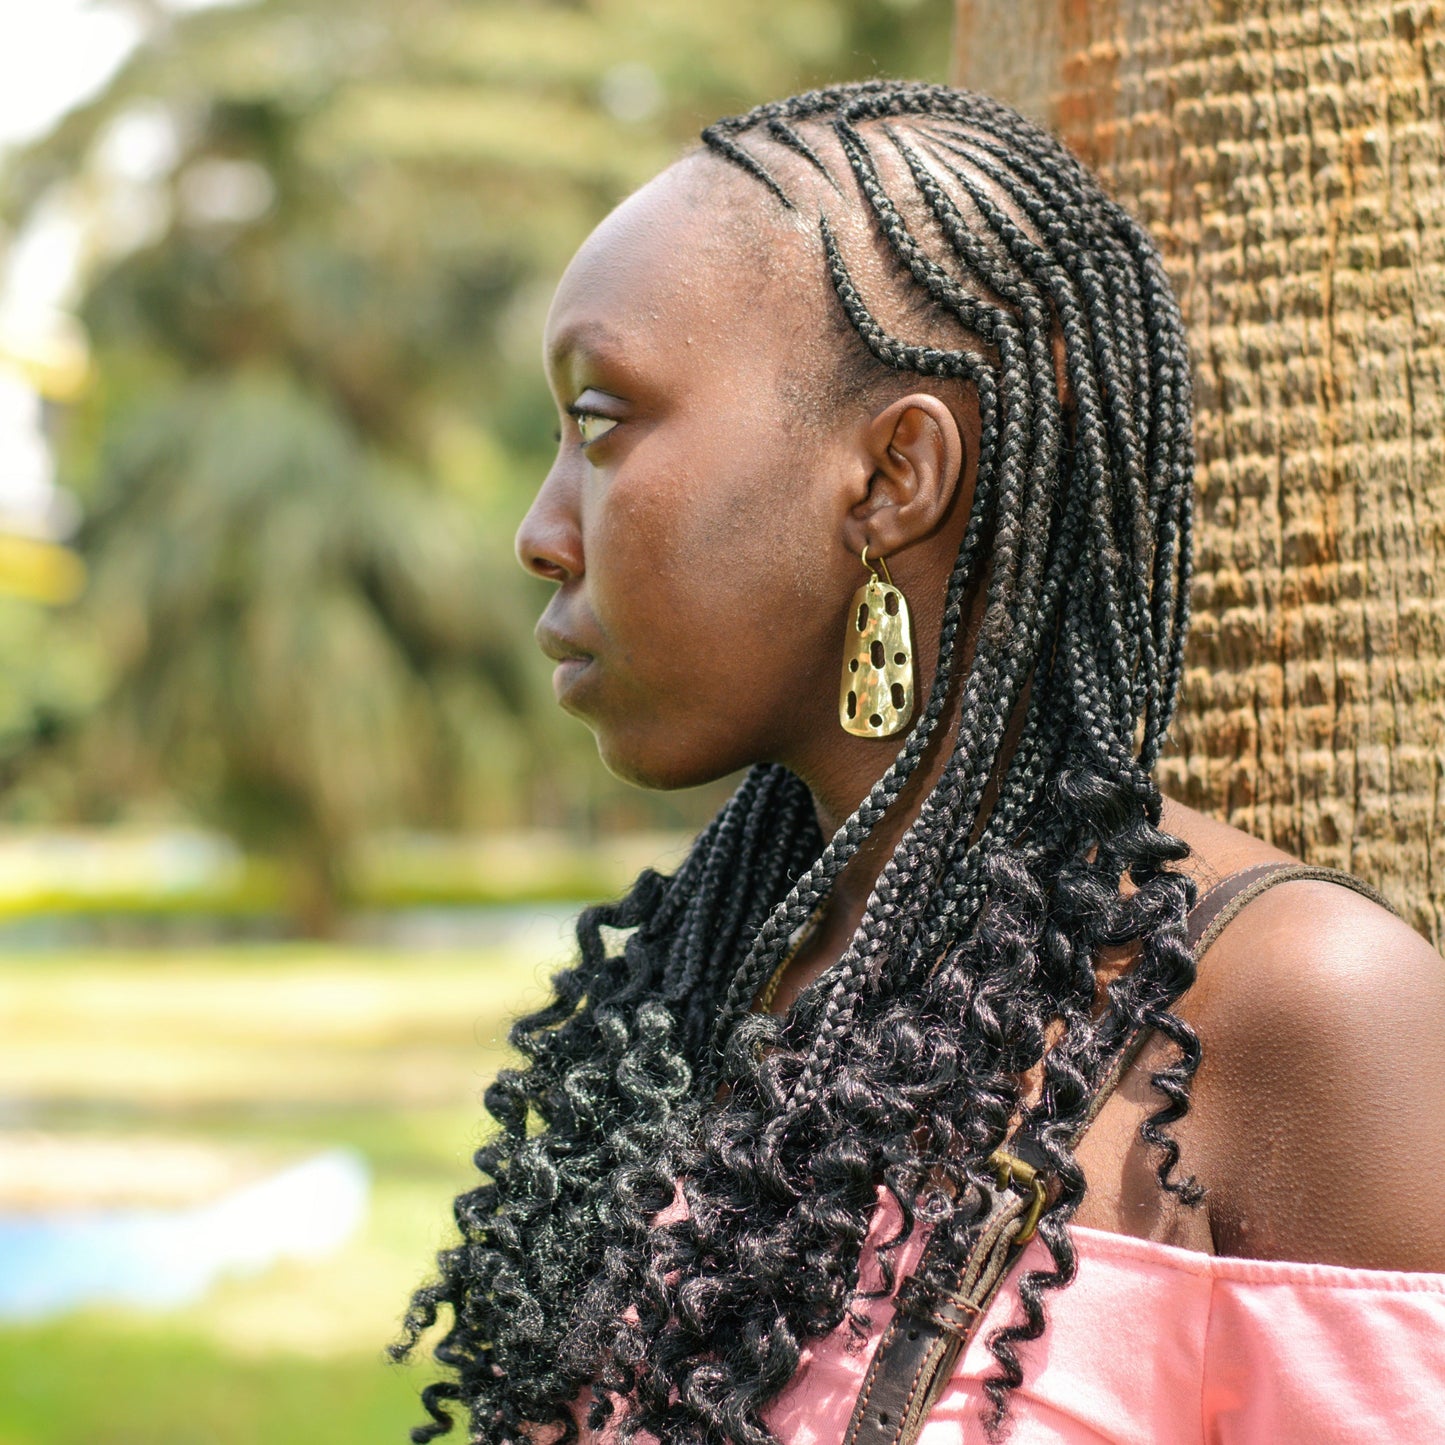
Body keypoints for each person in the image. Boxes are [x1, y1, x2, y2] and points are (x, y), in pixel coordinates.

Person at [394, 82, 1445, 1444]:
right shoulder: (714, 973)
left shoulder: (1304, 1010)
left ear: (892, 475)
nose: (541, 529)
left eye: (599, 421)